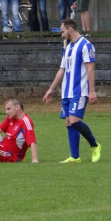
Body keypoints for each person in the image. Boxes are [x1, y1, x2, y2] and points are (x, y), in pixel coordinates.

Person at [43, 18, 101, 163]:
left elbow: (90, 69)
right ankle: (75, 157)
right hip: (66, 92)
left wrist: (92, 91)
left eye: (62, 31)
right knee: (68, 121)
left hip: (79, 91)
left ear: (70, 29)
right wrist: (51, 89)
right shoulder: (68, 47)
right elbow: (62, 70)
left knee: (75, 120)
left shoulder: (86, 46)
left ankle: (95, 145)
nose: (62, 35)